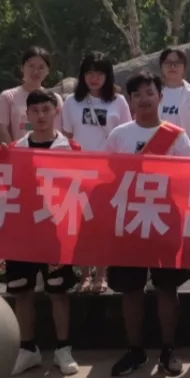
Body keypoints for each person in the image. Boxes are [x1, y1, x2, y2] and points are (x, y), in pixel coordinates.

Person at [104, 71, 190, 377]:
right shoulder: (119, 135)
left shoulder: (176, 136)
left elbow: (188, 178)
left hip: (164, 219)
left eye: (149, 92)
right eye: (137, 94)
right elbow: (106, 177)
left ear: (160, 97)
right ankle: (135, 350)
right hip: (128, 220)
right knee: (130, 288)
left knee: (167, 287)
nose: (144, 99)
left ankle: (168, 350)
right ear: (129, 100)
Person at [8, 89, 80, 376]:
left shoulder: (70, 148)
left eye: (46, 110)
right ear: (27, 114)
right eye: (35, 111)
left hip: (55, 230)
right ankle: (28, 349)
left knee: (58, 291)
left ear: (56, 112)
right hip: (21, 232)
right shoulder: (15, 148)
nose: (40, 116)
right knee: (22, 291)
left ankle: (63, 348)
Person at [61, 51, 133, 293]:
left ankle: (101, 274)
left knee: (102, 225)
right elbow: (66, 137)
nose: (94, 78)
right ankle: (84, 275)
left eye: (100, 73)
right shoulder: (71, 102)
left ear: (108, 76)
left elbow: (126, 136)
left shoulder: (118, 102)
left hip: (107, 174)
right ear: (83, 75)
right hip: (78, 173)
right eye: (90, 72)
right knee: (81, 225)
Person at [0, 46, 63, 145]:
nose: (36, 72)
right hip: (18, 152)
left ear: (47, 71)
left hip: (48, 152)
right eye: (31, 66)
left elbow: (59, 131)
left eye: (41, 67)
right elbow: (2, 129)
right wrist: (14, 151)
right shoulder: (8, 97)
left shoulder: (55, 99)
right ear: (22, 68)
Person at [158, 45, 190, 155]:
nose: (172, 66)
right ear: (161, 66)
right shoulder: (152, 94)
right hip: (158, 157)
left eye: (177, 63)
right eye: (168, 63)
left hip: (187, 156)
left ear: (184, 67)